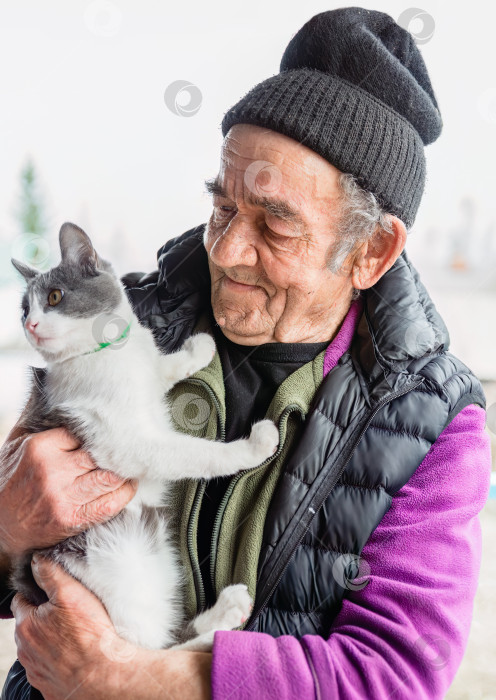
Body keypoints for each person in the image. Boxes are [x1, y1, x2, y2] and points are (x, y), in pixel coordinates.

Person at [0, 7, 491, 699]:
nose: (227, 251)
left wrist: (132, 682)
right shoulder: (116, 328)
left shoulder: (436, 426)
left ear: (371, 252)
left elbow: (394, 676)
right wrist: (8, 524)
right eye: (223, 206)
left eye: (275, 226)